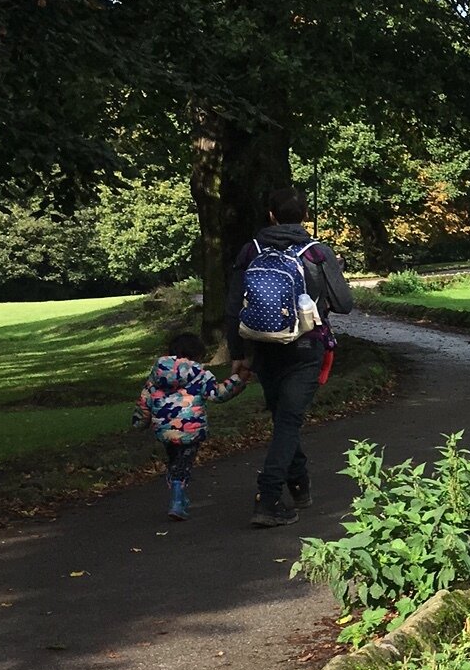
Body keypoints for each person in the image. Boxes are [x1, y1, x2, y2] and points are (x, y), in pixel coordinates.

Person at [226, 186, 355, 527]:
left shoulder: (251, 249)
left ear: (270, 214)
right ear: (305, 215)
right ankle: (267, 499)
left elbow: (231, 307)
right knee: (289, 421)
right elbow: (344, 304)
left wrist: (237, 354)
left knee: (284, 417)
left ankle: (299, 485)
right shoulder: (316, 252)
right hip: (304, 345)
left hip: (263, 347)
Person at [131, 331, 250, 521]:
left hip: (165, 430)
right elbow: (217, 394)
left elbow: (144, 401)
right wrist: (239, 379)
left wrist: (139, 422)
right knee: (183, 464)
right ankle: (178, 499)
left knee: (174, 461)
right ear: (197, 354)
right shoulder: (200, 374)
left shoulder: (157, 374)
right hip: (190, 430)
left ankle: (180, 495)